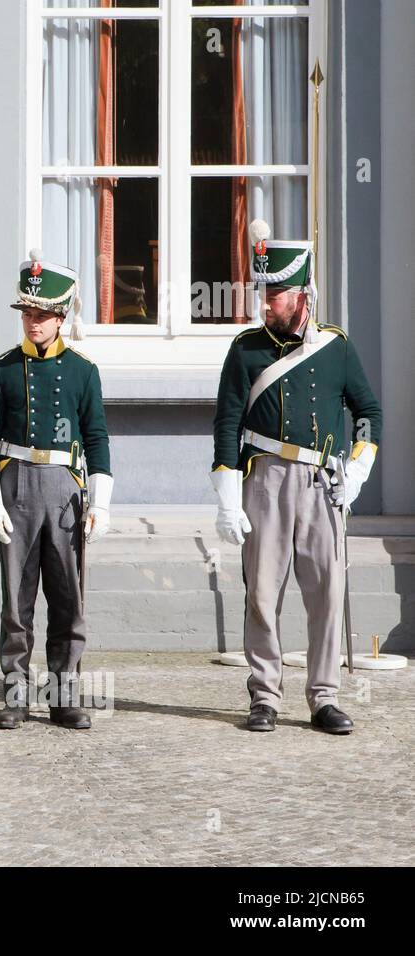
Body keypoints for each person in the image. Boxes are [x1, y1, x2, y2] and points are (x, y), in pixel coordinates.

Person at [211, 219, 382, 735]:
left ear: (303, 294)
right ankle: (264, 695)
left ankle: (323, 697)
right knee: (263, 592)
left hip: (322, 483)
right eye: (264, 291)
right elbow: (226, 422)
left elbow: (368, 410)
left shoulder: (336, 346)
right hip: (263, 478)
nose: (266, 303)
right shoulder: (246, 349)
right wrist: (226, 492)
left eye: (277, 293)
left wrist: (357, 468)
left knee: (327, 591)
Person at [0, 251, 112, 730]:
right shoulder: (3, 370)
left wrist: (102, 502)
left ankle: (63, 697)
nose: (32, 322)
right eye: (27, 313)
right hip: (15, 488)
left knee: (69, 601)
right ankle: (15, 697)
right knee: (17, 603)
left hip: (65, 492)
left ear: (61, 316)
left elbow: (96, 438)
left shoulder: (82, 371)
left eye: (42, 314)